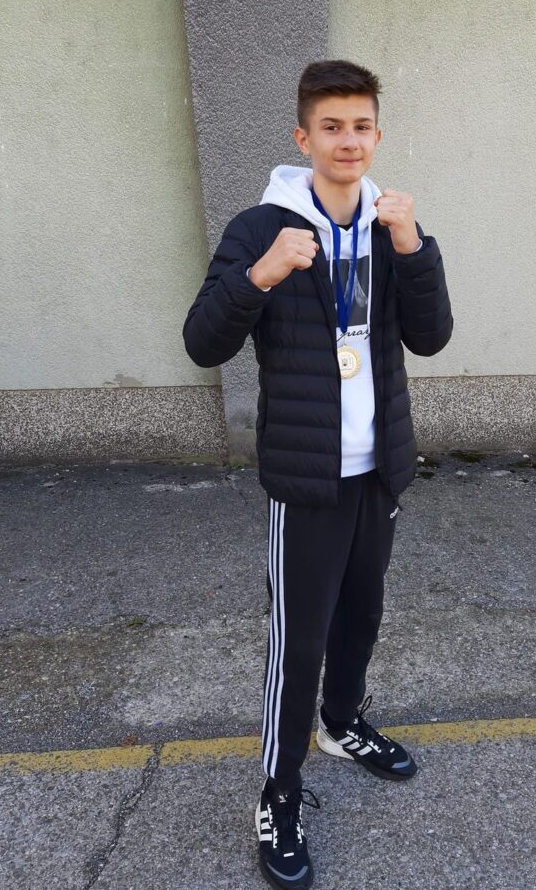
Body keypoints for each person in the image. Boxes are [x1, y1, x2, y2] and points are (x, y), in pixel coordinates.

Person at [182, 59, 453, 889]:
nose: (348, 140)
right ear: (304, 138)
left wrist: (413, 248)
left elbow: (432, 336)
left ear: (377, 135)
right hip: (308, 477)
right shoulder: (261, 227)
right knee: (297, 644)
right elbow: (202, 341)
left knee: (361, 616)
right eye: (331, 127)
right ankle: (279, 790)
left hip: (379, 467)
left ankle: (342, 723)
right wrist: (259, 275)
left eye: (361, 126)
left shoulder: (390, 225)